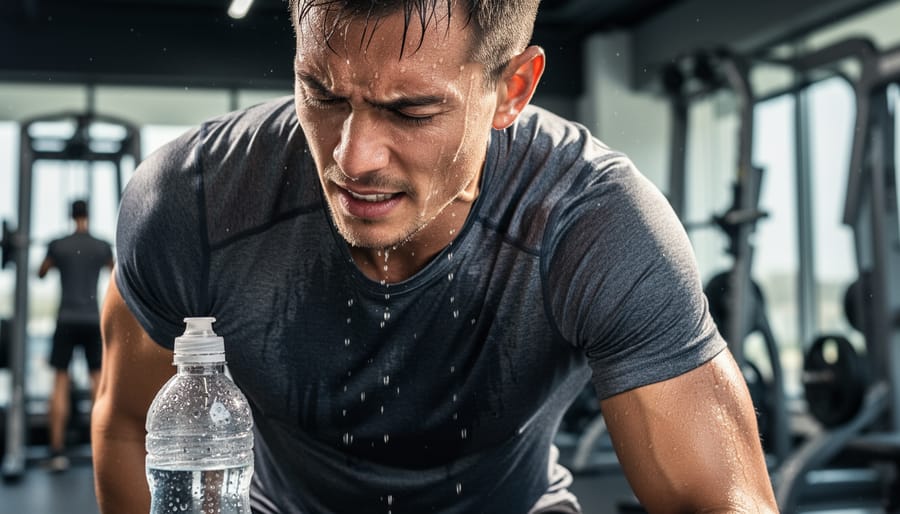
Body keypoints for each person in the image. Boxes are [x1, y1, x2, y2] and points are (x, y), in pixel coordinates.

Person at [92, 1, 778, 512]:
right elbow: (128, 426)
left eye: (411, 110)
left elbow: (718, 500)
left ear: (512, 90)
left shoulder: (594, 223)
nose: (353, 158)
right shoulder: (194, 199)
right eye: (323, 94)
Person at [38, 199, 113, 472]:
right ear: (88, 215)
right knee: (97, 382)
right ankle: (100, 449)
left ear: (70, 215)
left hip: (66, 320)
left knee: (60, 382)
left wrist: (57, 260)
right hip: (92, 320)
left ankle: (57, 452)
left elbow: (41, 273)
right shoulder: (102, 246)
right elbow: (117, 274)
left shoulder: (58, 245)